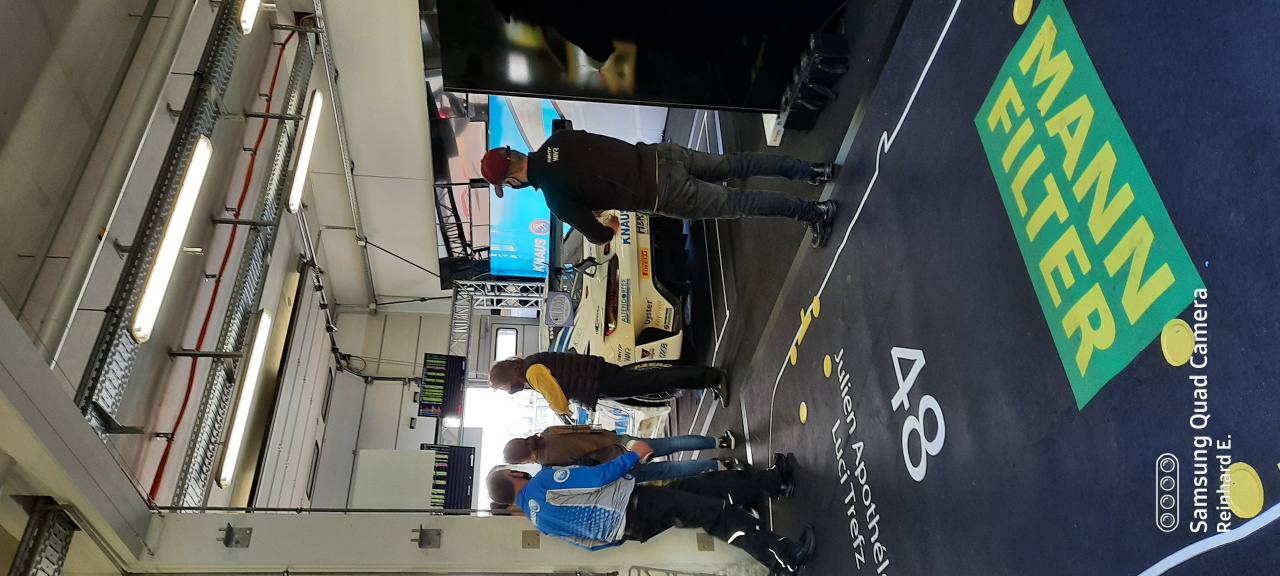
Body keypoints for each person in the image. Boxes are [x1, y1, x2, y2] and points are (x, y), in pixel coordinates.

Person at [486, 443, 814, 576]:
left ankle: (775, 482)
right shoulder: (542, 483)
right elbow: (596, 477)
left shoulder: (540, 522)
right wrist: (634, 454)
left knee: (702, 487)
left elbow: (591, 545)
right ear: (514, 475)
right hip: (637, 506)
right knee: (718, 515)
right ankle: (783, 559)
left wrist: (619, 532)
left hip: (634, 525)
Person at [480, 129, 840, 248]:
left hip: (662, 192)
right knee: (735, 164)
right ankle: (812, 170)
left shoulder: (554, 198)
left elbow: (600, 235)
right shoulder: (559, 138)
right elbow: (600, 158)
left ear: (510, 181)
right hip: (660, 155)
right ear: (514, 153)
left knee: (740, 202)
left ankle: (815, 212)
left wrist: (611, 223)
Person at [487, 352, 730, 416]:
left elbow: (558, 401)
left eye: (503, 387)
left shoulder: (532, 373)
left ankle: (713, 378)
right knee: (655, 380)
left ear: (508, 378)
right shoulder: (531, 363)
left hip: (599, 381)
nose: (507, 390)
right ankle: (708, 378)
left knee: (657, 381)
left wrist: (561, 411)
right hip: (598, 375)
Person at [504, 425, 741, 483]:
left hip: (619, 466)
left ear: (523, 461)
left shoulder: (548, 467)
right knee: (671, 443)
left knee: (669, 470)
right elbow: (586, 429)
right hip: (619, 441)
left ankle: (719, 467)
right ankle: (719, 441)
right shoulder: (548, 432)